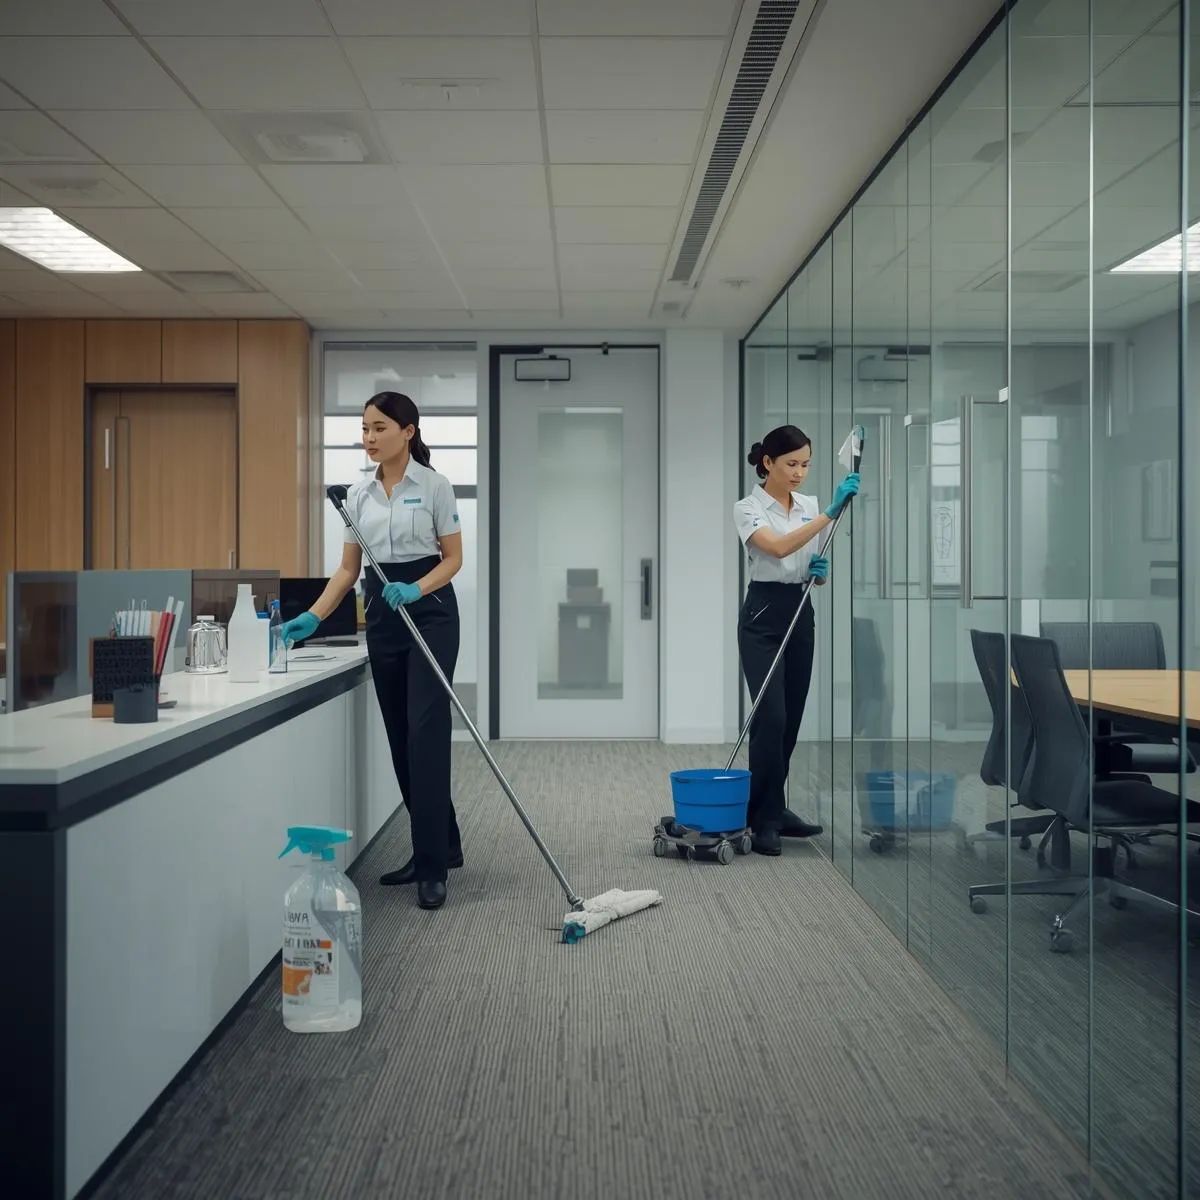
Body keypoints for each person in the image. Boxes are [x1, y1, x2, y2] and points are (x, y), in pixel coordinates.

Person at [279, 391, 463, 910]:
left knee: (427, 735)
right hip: (383, 614)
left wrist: (417, 588)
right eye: (364, 429)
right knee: (402, 738)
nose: (369, 438)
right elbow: (346, 570)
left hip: (429, 611)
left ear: (408, 431)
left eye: (379, 427)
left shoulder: (434, 486)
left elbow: (453, 560)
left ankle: (431, 867)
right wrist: (314, 615)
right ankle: (443, 843)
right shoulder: (357, 495)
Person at [733, 425, 859, 856]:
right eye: (791, 464)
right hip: (763, 616)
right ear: (768, 463)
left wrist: (820, 574)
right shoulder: (747, 508)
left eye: (806, 464)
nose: (800, 473)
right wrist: (832, 511)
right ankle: (761, 816)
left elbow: (809, 563)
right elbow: (780, 548)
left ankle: (775, 808)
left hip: (800, 609)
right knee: (770, 716)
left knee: (791, 717)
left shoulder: (807, 504)